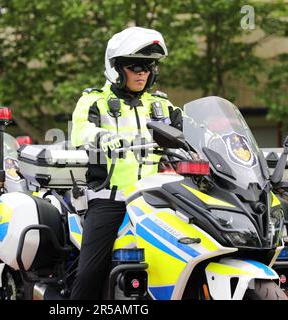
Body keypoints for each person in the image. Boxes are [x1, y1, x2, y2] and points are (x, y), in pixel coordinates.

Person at [70, 26, 183, 300]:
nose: (143, 73)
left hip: (156, 199)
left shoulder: (161, 106)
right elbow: (80, 132)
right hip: (111, 201)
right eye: (135, 66)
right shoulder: (94, 100)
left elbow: (188, 134)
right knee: (89, 275)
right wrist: (103, 137)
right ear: (117, 69)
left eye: (148, 66)